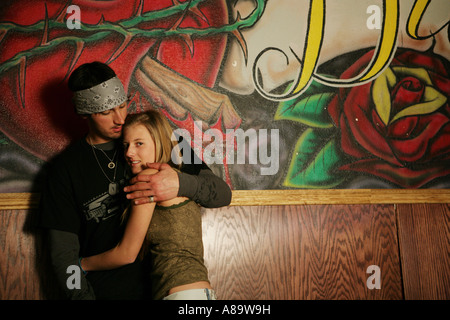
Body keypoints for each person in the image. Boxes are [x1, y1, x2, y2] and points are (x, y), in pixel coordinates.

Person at [39, 61, 231, 299]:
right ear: (85, 113)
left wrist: (180, 183)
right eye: (106, 112)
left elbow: (222, 193)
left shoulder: (159, 141)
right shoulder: (64, 170)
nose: (120, 118)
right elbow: (64, 258)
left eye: (122, 105)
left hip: (167, 290)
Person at [80, 110, 216, 300]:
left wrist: (81, 264)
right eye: (126, 145)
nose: (129, 152)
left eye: (139, 144)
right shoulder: (174, 176)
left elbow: (126, 254)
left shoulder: (149, 178)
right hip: (200, 292)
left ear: (158, 142)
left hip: (179, 294)